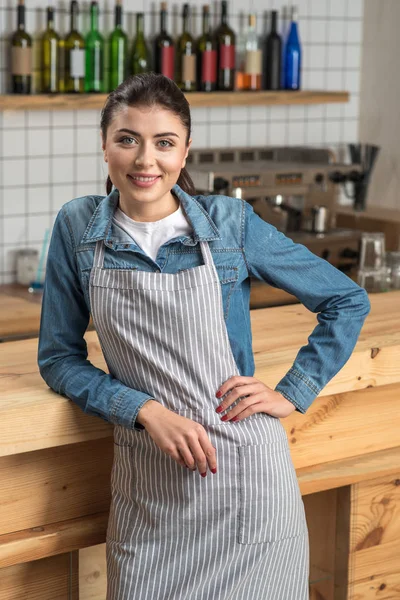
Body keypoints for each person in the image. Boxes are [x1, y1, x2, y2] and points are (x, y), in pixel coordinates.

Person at [38, 72, 370, 600]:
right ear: (105, 147)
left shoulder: (229, 224)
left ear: (185, 151)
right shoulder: (78, 229)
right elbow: (58, 359)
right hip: (150, 488)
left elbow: (346, 300)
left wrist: (291, 392)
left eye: (164, 143)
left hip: (247, 484)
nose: (146, 160)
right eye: (128, 139)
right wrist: (142, 408)